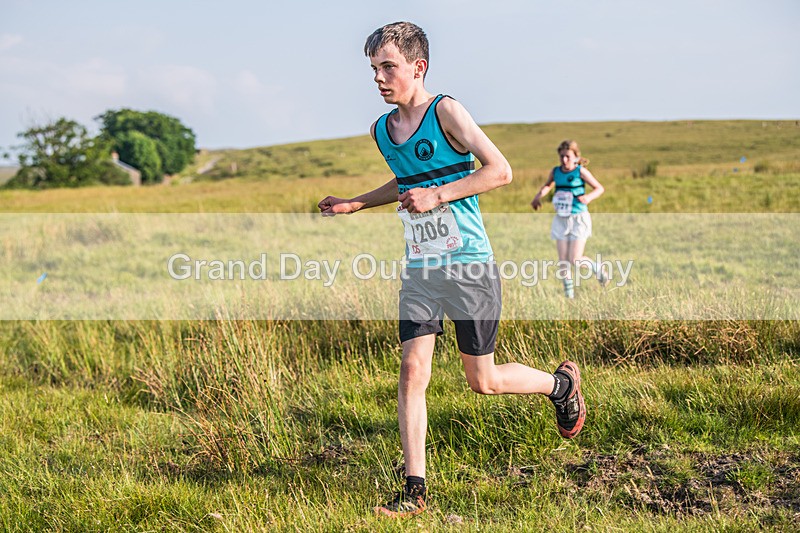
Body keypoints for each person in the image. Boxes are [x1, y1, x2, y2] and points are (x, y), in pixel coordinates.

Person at [318, 22, 586, 519]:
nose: (379, 78)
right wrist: (357, 202)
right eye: (374, 69)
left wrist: (439, 195)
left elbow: (499, 171)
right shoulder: (382, 130)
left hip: (469, 265)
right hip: (422, 267)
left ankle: (561, 386)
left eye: (388, 67)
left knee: (482, 380)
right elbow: (405, 183)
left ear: (418, 68)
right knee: (412, 370)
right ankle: (414, 492)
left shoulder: (446, 111)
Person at [531, 140, 608, 298]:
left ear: (575, 157)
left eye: (567, 156)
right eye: (561, 157)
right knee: (563, 262)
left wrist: (588, 197)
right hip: (561, 219)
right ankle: (569, 297)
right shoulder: (556, 172)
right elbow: (548, 185)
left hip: (578, 218)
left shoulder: (581, 172)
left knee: (575, 260)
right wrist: (538, 197)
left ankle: (599, 270)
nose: (564, 160)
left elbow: (599, 188)